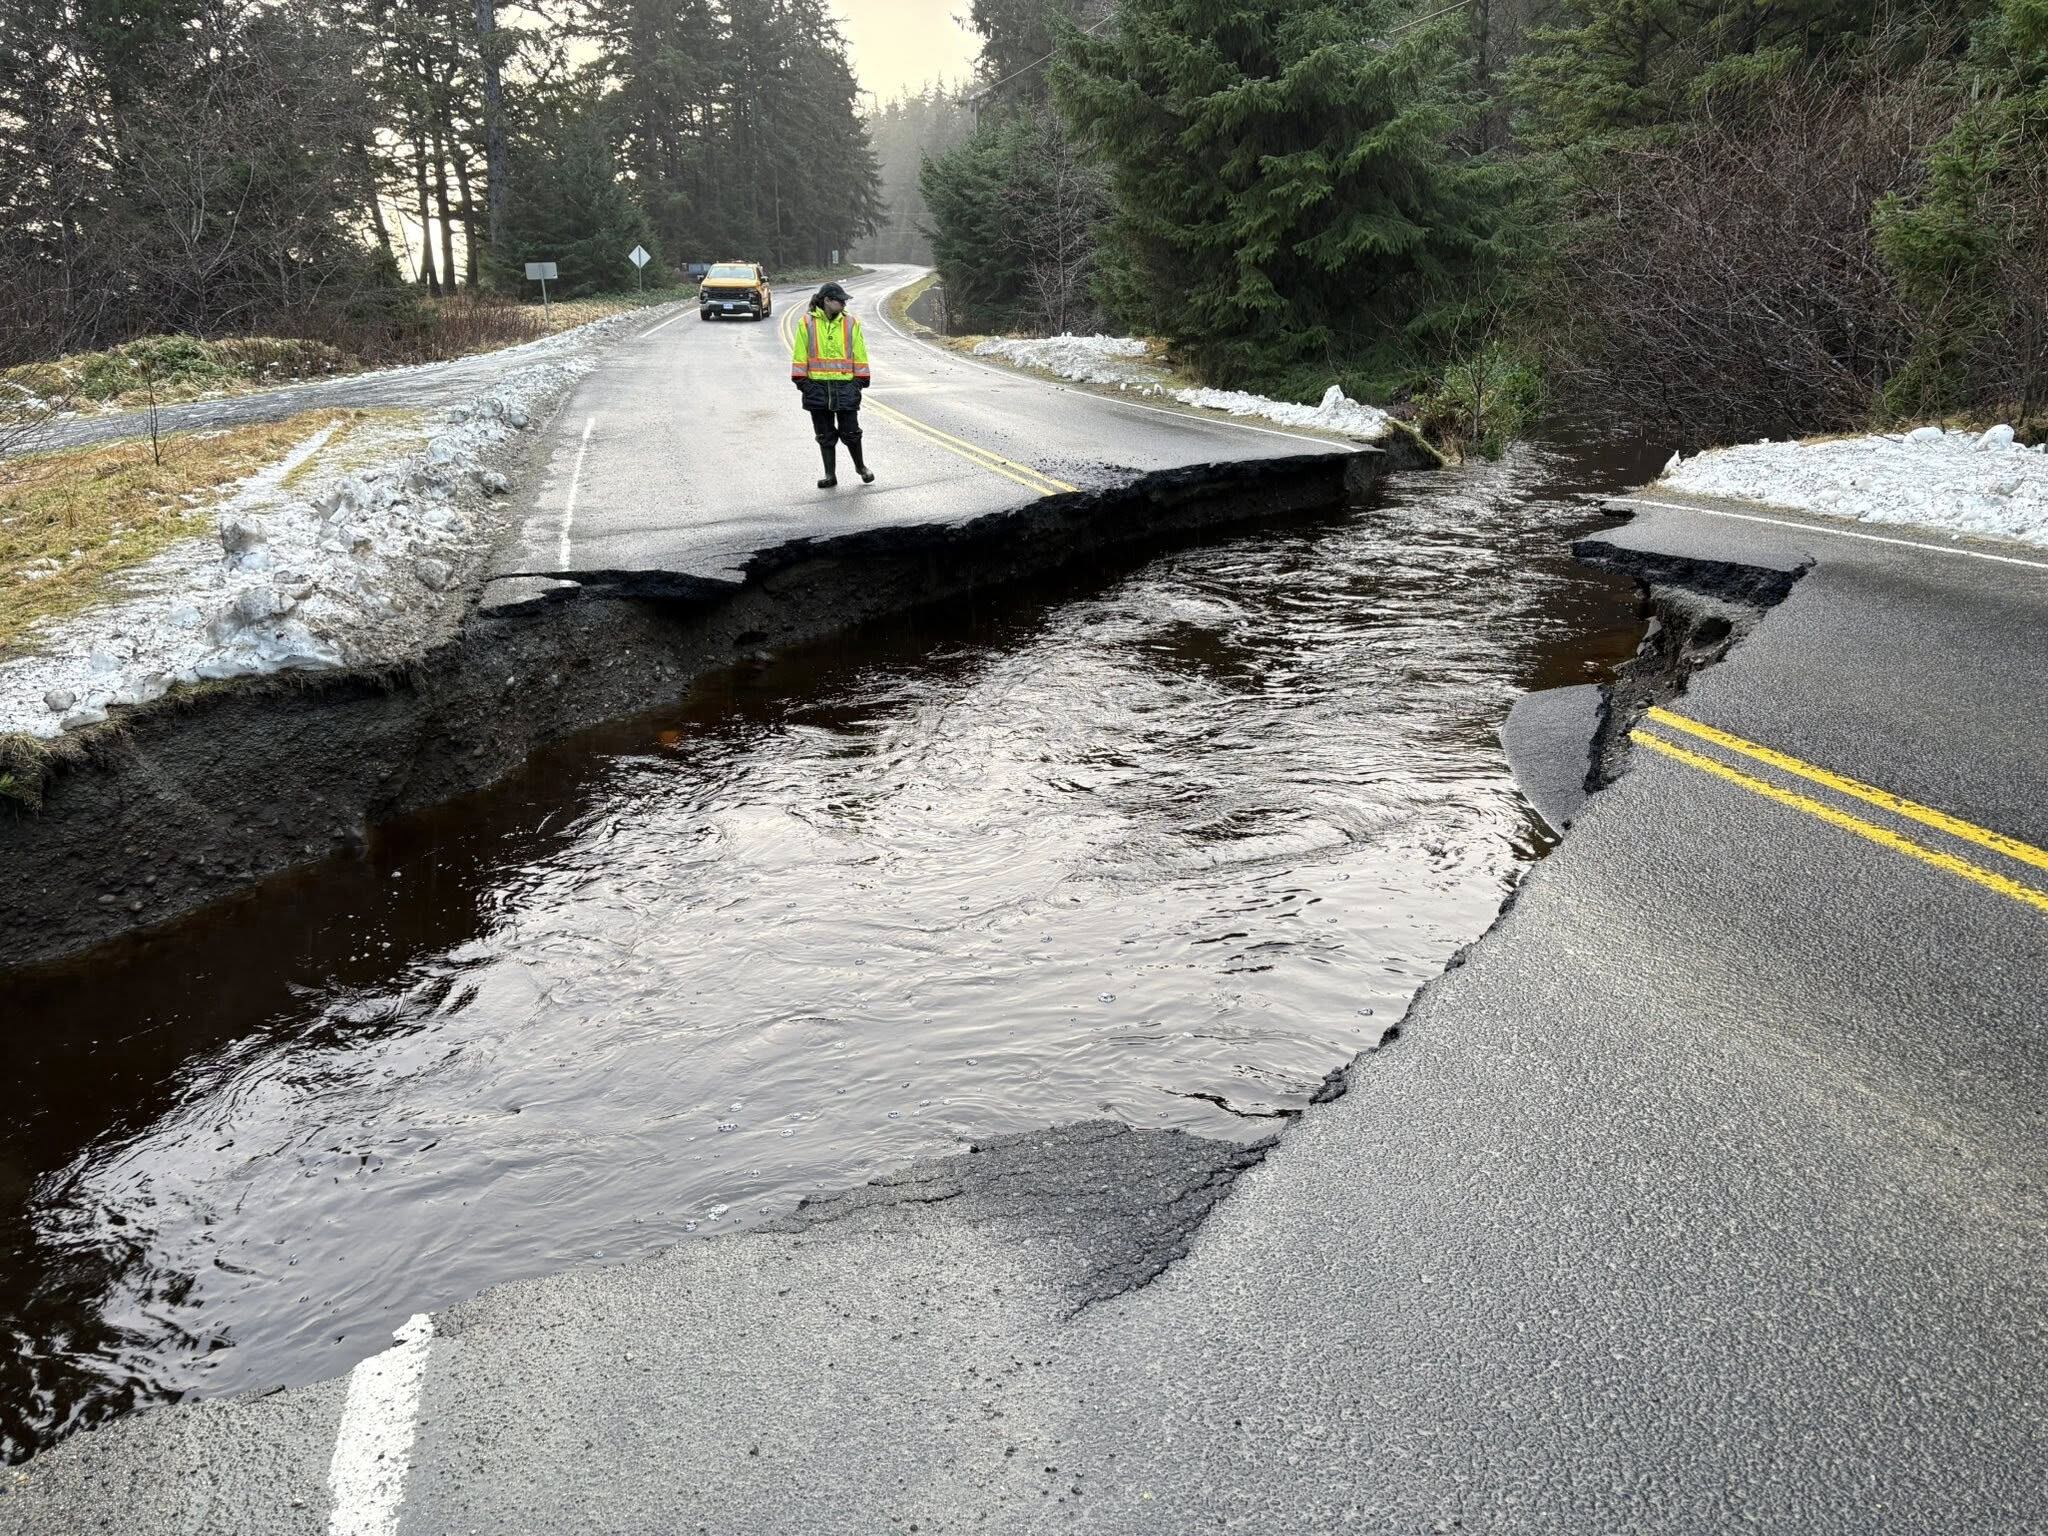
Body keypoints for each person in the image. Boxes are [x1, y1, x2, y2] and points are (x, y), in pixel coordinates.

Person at [789, 281, 874, 489]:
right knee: (824, 435)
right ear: (827, 301)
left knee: (851, 432)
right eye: (840, 300)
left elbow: (859, 351)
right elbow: (800, 352)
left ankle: (861, 467)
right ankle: (830, 475)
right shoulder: (807, 322)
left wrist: (860, 380)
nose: (844, 304)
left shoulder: (851, 323)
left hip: (845, 386)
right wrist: (802, 381)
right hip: (817, 386)